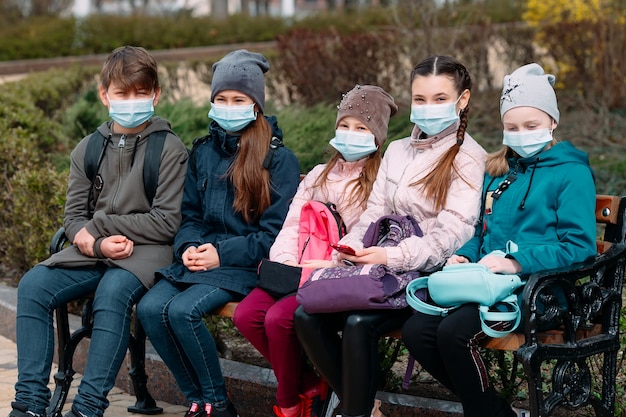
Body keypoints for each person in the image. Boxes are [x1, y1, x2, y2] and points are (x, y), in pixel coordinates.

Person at [294, 55, 487, 417]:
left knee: (357, 323)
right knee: (306, 316)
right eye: (420, 99)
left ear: (462, 101)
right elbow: (374, 212)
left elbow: (452, 234)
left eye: (440, 99)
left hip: (425, 276)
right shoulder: (398, 150)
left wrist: (390, 257)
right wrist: (353, 244)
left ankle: (355, 410)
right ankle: (364, 408)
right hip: (379, 271)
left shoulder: (468, 157)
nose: (428, 108)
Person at [402, 63, 597, 417]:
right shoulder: (500, 172)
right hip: (486, 288)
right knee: (418, 330)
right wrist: (463, 255)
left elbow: (578, 246)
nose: (520, 133)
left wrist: (516, 261)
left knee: (452, 335)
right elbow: (481, 232)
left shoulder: (571, 173)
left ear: (552, 123)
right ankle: (493, 411)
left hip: (539, 293)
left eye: (531, 125)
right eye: (512, 126)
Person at [8, 46, 189, 417]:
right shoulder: (87, 149)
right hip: (96, 249)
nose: (132, 101)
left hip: (149, 250)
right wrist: (97, 242)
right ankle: (29, 403)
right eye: (122, 93)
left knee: (114, 291)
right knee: (32, 286)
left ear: (155, 94)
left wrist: (102, 226)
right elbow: (74, 217)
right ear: (104, 94)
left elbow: (167, 222)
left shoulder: (170, 150)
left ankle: (88, 406)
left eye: (141, 92)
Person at [136, 49, 301, 417]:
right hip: (199, 261)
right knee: (149, 308)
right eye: (221, 99)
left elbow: (273, 236)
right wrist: (189, 247)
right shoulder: (204, 152)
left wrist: (221, 253)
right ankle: (198, 399)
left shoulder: (278, 160)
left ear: (256, 103)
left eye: (238, 99)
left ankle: (219, 404)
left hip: (242, 265)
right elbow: (190, 215)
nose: (228, 106)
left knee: (182, 312)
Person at [233, 85, 398, 417]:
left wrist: (325, 263)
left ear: (377, 137)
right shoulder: (318, 177)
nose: (350, 134)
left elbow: (364, 233)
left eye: (361, 128)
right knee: (246, 315)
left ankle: (289, 404)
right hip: (297, 269)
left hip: (332, 274)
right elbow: (293, 222)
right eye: (345, 125)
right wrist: (286, 261)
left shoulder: (379, 182)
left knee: (280, 318)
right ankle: (309, 383)